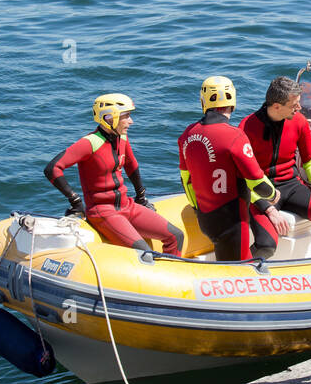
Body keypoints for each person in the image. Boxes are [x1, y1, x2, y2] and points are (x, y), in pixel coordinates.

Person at [45, 93, 184, 258]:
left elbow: (131, 165)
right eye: (126, 116)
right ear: (109, 117)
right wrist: (75, 201)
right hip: (103, 212)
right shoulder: (90, 143)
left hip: (127, 205)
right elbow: (53, 168)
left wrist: (141, 196)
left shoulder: (122, 138)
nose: (131, 121)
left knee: (176, 235)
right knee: (144, 253)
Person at [178, 76, 290, 261]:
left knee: (231, 262)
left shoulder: (187, 135)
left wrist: (197, 208)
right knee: (235, 270)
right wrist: (273, 195)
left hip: (206, 219)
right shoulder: (235, 136)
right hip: (232, 222)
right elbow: (257, 182)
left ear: (203, 102)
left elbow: (186, 181)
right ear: (232, 101)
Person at [241, 77, 311, 256]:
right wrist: (269, 209)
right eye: (294, 105)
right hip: (261, 192)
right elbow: (244, 176)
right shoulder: (247, 127)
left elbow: (310, 158)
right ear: (277, 106)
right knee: (266, 245)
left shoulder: (299, 121)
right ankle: (237, 273)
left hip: (291, 186)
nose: (299, 108)